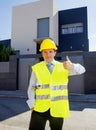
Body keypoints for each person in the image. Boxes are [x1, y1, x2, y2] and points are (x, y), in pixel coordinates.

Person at [26, 38, 86, 130]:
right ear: (42, 53)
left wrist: (72, 66)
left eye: (50, 51)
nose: (48, 55)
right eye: (45, 52)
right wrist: (31, 104)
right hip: (39, 109)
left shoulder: (64, 66)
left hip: (58, 109)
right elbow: (31, 87)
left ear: (54, 53)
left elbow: (82, 69)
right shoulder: (36, 68)